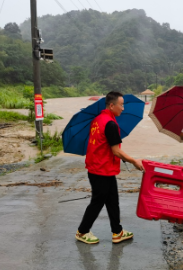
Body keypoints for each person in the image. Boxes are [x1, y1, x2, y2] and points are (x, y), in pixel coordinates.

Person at [75, 91, 144, 245]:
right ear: (112, 105)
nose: (123, 108)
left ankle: (117, 232)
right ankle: (82, 231)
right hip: (101, 170)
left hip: (99, 168)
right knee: (97, 202)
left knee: (113, 200)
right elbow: (116, 151)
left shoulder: (97, 120)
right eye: (121, 105)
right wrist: (134, 161)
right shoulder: (110, 124)